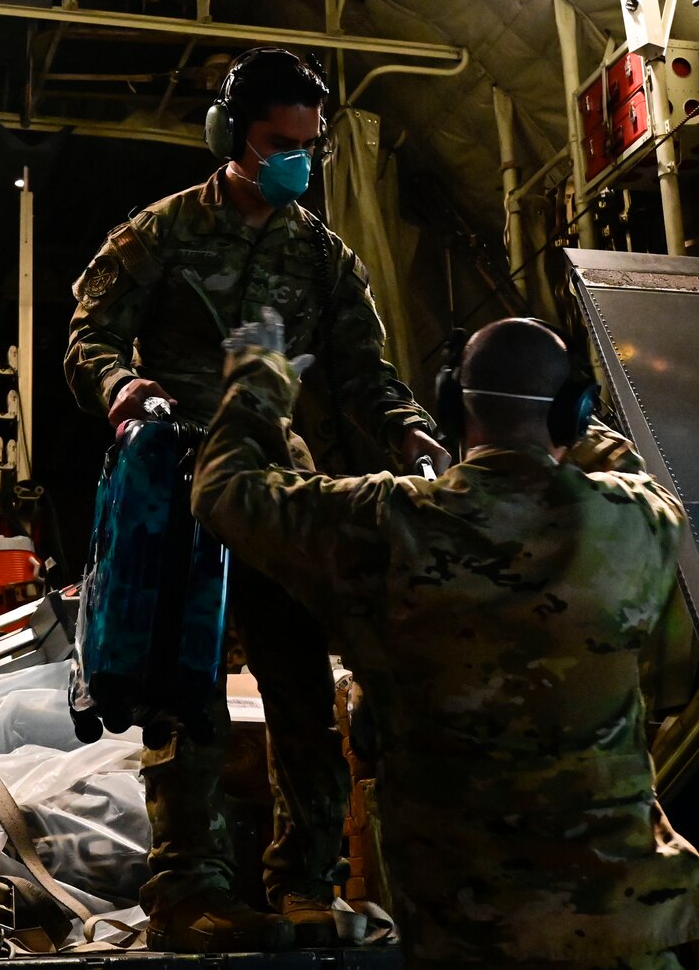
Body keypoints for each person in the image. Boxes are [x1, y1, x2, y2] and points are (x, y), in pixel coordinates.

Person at [192, 312, 699, 969]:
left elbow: (224, 490)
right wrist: (575, 425)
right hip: (632, 933)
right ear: (569, 411)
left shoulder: (389, 523)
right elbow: (627, 468)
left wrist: (257, 384)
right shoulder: (635, 520)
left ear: (450, 405)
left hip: (470, 942)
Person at [64, 47, 448, 952]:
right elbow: (90, 334)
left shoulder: (321, 254)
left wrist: (409, 429)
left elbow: (363, 371)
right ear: (231, 138)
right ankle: (188, 888)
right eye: (282, 145)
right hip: (177, 484)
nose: (298, 165)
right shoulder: (158, 235)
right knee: (182, 688)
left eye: (310, 147)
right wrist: (121, 386)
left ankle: (305, 883)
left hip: (277, 483)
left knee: (301, 690)